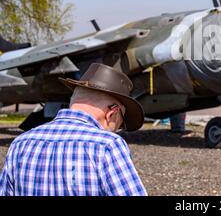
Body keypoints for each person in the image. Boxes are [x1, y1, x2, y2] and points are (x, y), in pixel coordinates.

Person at [0, 63, 147, 196]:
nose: (118, 129)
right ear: (112, 114)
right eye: (120, 123)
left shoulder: (20, 143)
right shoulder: (107, 145)